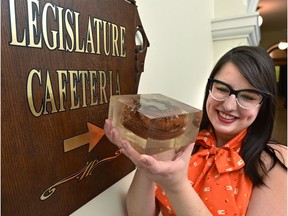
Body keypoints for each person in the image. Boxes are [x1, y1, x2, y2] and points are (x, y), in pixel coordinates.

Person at [104, 46, 287, 216]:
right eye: (222, 89)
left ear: (263, 105)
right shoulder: (182, 140)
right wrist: (147, 163)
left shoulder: (275, 162)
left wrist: (176, 185)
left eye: (247, 96)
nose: (229, 105)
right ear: (209, 88)